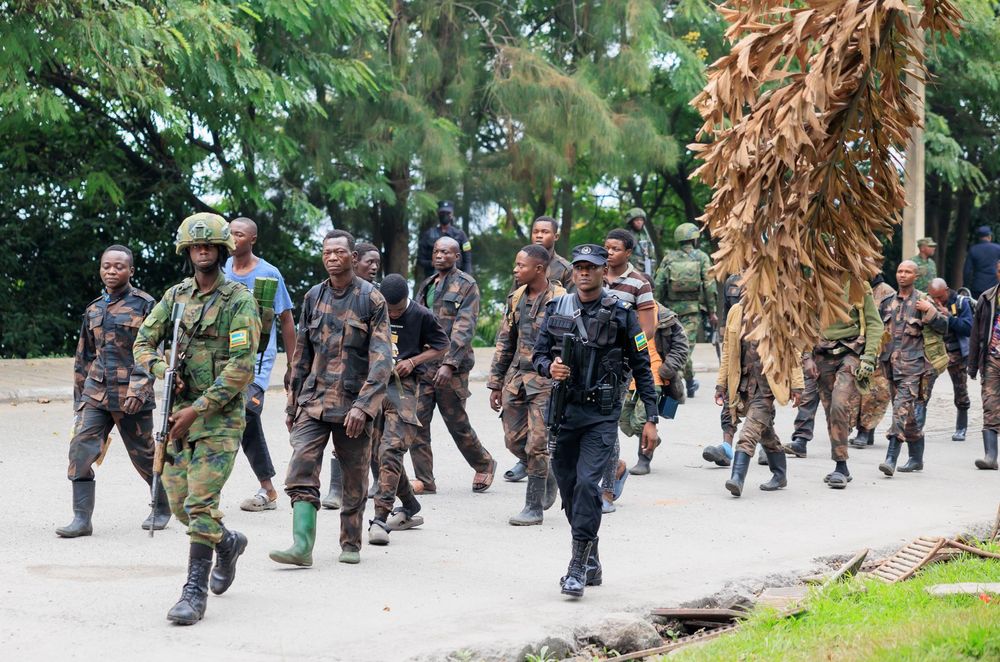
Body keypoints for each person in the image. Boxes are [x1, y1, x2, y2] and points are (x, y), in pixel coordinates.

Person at [133, 213, 260, 625]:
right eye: (195, 246)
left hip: (218, 419)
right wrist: (162, 370)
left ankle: (193, 593)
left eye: (209, 246)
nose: (202, 251)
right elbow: (143, 341)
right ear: (187, 252)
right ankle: (227, 542)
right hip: (177, 416)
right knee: (182, 507)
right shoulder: (176, 296)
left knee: (201, 503)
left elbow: (241, 368)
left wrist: (198, 409)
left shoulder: (238, 300)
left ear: (222, 250)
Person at [532, 244, 659, 598]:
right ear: (573, 272)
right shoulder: (556, 308)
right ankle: (591, 557)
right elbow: (538, 355)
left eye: (592, 267)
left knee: (589, 486)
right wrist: (549, 367)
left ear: (605, 271)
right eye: (579, 267)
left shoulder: (622, 314)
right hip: (564, 413)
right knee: (570, 489)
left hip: (600, 416)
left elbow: (642, 367)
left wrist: (651, 417)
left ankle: (576, 567)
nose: (584, 272)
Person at [269, 230, 392, 567]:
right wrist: (293, 404)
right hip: (314, 402)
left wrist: (364, 407)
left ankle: (350, 542)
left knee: (354, 477)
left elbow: (382, 360)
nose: (332, 257)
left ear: (354, 257)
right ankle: (301, 546)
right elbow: (302, 354)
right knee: (301, 467)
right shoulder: (313, 296)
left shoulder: (371, 299)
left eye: (339, 252)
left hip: (353, 406)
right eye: (327, 252)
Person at [58, 244, 164, 538]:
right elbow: (84, 357)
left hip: (131, 396)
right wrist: (79, 402)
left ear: (131, 270)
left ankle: (162, 505)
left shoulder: (146, 305)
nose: (112, 271)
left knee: (144, 455)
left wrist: (139, 389)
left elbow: (152, 352)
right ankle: (81, 519)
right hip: (97, 393)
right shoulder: (93, 309)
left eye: (119, 266)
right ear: (100, 269)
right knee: (80, 448)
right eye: (107, 266)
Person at [221, 217, 297, 513]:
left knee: (247, 413)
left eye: (239, 234)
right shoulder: (222, 269)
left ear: (252, 239)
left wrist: (292, 365)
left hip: (257, 362)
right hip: (224, 360)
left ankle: (267, 489)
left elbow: (286, 319)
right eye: (230, 233)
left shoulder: (269, 273)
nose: (233, 238)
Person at [368, 274, 449, 545]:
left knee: (391, 449)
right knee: (376, 452)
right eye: (389, 310)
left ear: (407, 299)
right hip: (374, 384)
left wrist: (413, 361)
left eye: (398, 310)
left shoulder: (422, 315)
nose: (393, 314)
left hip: (403, 388)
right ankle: (410, 504)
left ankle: (380, 518)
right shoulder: (373, 309)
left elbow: (442, 345)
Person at [411, 236, 496, 494]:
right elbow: (417, 321)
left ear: (457, 256)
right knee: (416, 423)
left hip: (452, 368)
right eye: (437, 251)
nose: (440, 256)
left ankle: (484, 463)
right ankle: (425, 480)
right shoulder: (427, 284)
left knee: (457, 423)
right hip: (425, 365)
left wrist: (449, 364)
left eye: (446, 252)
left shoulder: (467, 285)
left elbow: (464, 327)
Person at [488, 245, 565, 525]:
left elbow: (569, 344)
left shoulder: (561, 300)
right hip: (517, 379)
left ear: (539, 269)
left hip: (547, 381)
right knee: (513, 440)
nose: (515, 270)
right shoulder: (517, 297)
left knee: (538, 444)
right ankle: (548, 472)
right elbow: (505, 341)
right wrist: (496, 383)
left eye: (521, 266)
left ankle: (534, 508)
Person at [794, 279, 883, 489]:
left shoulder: (858, 285)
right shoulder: (814, 283)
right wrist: (806, 357)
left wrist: (869, 357)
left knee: (839, 403)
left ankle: (841, 466)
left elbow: (875, 323)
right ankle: (841, 464)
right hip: (822, 355)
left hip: (850, 353)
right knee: (830, 411)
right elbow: (804, 324)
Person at [715, 300, 804, 497]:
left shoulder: (779, 310)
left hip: (766, 388)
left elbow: (793, 351)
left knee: (748, 433)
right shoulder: (736, 311)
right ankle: (780, 474)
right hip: (743, 385)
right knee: (765, 433)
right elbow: (728, 351)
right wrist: (721, 384)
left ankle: (737, 478)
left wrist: (797, 385)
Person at [601, 229, 659, 509]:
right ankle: (615, 468)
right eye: (606, 248)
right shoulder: (594, 274)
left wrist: (627, 352)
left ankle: (607, 489)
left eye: (615, 249)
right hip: (589, 362)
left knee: (608, 424)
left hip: (619, 365)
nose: (609, 253)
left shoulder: (639, 283)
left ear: (628, 253)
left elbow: (647, 329)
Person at [322, 241, 382, 508]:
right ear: (355, 261)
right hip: (338, 386)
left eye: (377, 263)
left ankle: (397, 493)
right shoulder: (323, 295)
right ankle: (337, 489)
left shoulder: (375, 297)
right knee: (348, 438)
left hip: (375, 383)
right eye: (370, 262)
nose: (374, 267)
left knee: (380, 442)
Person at [877, 261, 948, 477]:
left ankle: (890, 458)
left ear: (915, 276)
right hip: (891, 367)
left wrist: (931, 312)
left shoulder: (923, 301)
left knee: (899, 410)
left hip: (914, 368)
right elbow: (877, 330)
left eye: (907, 272)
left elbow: (944, 326)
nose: (902, 275)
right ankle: (916, 458)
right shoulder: (887, 302)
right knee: (908, 416)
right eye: (900, 271)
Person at [654, 223, 717, 398]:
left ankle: (689, 382)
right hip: (691, 311)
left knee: (677, 347)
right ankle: (680, 385)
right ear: (694, 239)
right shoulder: (701, 257)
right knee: (685, 347)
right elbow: (709, 286)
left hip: (670, 312)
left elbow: (658, 283)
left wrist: (656, 307)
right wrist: (712, 311)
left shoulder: (669, 258)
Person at [849, 274, 897, 448]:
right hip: (857, 347)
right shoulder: (856, 286)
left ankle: (865, 431)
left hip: (879, 349)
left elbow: (888, 325)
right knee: (856, 392)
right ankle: (859, 430)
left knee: (874, 393)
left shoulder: (886, 292)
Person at [702, 273, 743, 467]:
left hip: (760, 358)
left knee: (761, 408)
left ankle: (767, 448)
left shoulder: (770, 276)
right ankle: (726, 449)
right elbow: (727, 319)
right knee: (729, 403)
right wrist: (721, 383)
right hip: (735, 352)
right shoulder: (732, 281)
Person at [928, 278, 973, 441]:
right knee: (924, 387)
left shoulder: (960, 303)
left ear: (946, 290)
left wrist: (949, 317)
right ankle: (916, 426)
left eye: (940, 297)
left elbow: (968, 328)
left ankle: (961, 428)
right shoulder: (927, 302)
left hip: (956, 353)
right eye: (934, 297)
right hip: (935, 352)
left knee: (960, 390)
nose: (937, 301)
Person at [966, 260, 1000, 470]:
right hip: (992, 360)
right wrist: (972, 365)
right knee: (990, 405)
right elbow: (976, 333)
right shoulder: (987, 298)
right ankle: (990, 456)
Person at [416, 200, 472, 281]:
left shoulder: (460, 235)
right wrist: (432, 263)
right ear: (438, 214)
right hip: (433, 278)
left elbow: (467, 259)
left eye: (448, 213)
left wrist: (466, 279)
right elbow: (420, 259)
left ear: (452, 214)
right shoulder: (428, 234)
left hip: (455, 279)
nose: (445, 215)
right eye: (442, 213)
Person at [530, 216, 573, 289]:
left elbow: (572, 295)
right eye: (535, 232)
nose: (539, 236)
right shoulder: (523, 265)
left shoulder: (566, 269)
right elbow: (513, 295)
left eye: (545, 232)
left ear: (556, 237)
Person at [963, 226, 1000, 300]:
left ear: (979, 238)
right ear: (989, 236)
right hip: (994, 286)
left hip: (977, 288)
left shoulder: (973, 250)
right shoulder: (998, 248)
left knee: (978, 306)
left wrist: (966, 286)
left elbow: (967, 271)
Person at [624, 208, 657, 278]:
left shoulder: (645, 236)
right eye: (636, 220)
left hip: (646, 269)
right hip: (631, 271)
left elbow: (651, 254)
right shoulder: (626, 236)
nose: (639, 222)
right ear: (631, 222)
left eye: (641, 220)